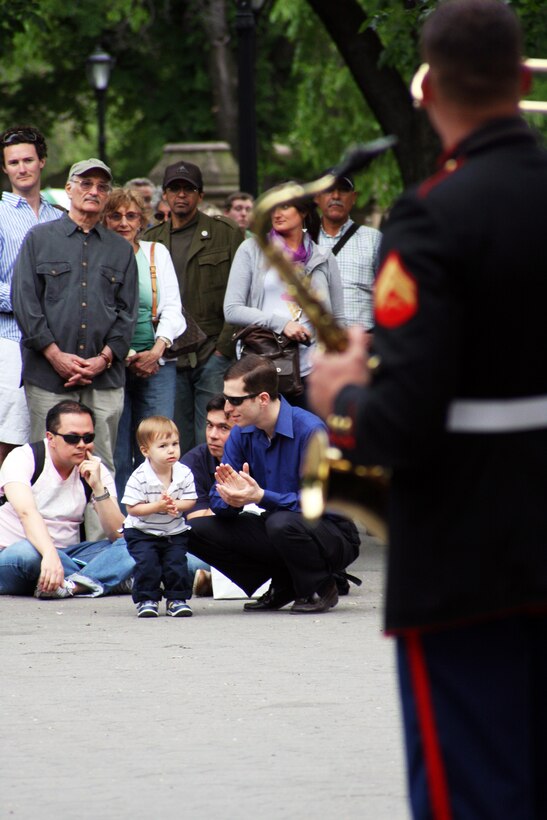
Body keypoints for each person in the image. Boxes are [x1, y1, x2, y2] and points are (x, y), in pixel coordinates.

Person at [308, 1, 547, 817]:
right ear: (521, 81)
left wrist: (343, 396)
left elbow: (403, 423)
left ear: (427, 87)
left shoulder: (435, 214)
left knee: (473, 793)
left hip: (465, 547)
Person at [189, 355, 360, 613]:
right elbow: (219, 497)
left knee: (279, 522)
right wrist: (229, 499)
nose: (227, 408)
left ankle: (320, 586)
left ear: (263, 399)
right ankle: (286, 584)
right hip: (281, 524)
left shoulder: (311, 430)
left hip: (333, 532)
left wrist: (260, 496)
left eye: (235, 400)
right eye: (226, 398)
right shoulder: (240, 432)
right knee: (195, 529)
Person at [11, 158, 139, 484]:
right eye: (85, 183)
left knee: (102, 466)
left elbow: (128, 313)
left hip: (105, 377)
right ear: (68, 189)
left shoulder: (120, 250)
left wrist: (103, 359)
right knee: (48, 464)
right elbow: (25, 303)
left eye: (101, 186)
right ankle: (46, 537)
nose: (93, 191)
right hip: (48, 374)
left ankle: (105, 537)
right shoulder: (39, 239)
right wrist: (55, 355)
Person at [143, 160, 243, 453]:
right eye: (175, 188)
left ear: (200, 195)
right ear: (165, 195)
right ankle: (187, 498)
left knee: (215, 436)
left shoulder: (225, 233)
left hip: (212, 350)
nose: (181, 195)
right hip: (169, 355)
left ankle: (220, 494)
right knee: (174, 439)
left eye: (189, 189)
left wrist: (223, 348)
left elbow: (242, 292)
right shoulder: (151, 239)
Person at [223, 188, 344, 408]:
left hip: (315, 369)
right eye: (273, 208)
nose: (277, 213)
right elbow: (232, 309)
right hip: (263, 365)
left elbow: (338, 318)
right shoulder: (251, 249)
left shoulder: (324, 258)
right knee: (265, 438)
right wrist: (281, 324)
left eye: (285, 206)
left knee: (311, 436)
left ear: (304, 211)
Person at [0, 400, 133, 598]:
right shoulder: (24, 458)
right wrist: (49, 554)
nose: (81, 445)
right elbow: (27, 513)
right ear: (50, 438)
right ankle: (112, 578)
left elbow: (119, 534)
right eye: (72, 438)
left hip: (70, 554)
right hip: (17, 552)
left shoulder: (95, 467)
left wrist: (98, 488)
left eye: (88, 437)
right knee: (27, 552)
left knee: (135, 543)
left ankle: (72, 585)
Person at [102, 187, 185, 501]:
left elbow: (173, 308)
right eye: (115, 215)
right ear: (104, 220)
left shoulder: (155, 253)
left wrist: (155, 351)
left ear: (141, 221)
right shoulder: (97, 255)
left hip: (157, 364)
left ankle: (161, 515)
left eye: (131, 215)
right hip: (111, 364)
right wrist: (126, 353)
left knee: (159, 447)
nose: (124, 222)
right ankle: (124, 527)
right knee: (117, 452)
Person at [0, 126, 63, 464]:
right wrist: (30, 303)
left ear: (42, 162)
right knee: (9, 435)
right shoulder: (0, 216)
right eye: (13, 162)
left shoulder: (60, 218)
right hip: (10, 340)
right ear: (5, 168)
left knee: (48, 435)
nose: (21, 168)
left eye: (28, 160)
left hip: (57, 343)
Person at [122, 416, 197, 618]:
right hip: (142, 530)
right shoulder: (139, 477)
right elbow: (132, 508)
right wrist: (158, 506)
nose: (171, 450)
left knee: (176, 563)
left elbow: (190, 501)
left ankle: (177, 599)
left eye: (175, 444)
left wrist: (175, 505)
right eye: (163, 446)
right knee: (148, 563)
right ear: (146, 451)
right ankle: (147, 599)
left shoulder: (184, 473)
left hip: (173, 529)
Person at [181, 393, 235, 596]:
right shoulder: (194, 461)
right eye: (209, 425)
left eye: (223, 428)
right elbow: (198, 524)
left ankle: (216, 580)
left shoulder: (255, 455)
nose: (212, 435)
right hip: (208, 547)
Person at [314, 171, 381, 330]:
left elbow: (391, 298)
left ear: (354, 197)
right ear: (317, 197)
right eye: (329, 190)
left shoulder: (374, 239)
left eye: (343, 190)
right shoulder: (305, 240)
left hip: (361, 345)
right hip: (314, 346)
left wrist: (374, 339)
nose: (336, 196)